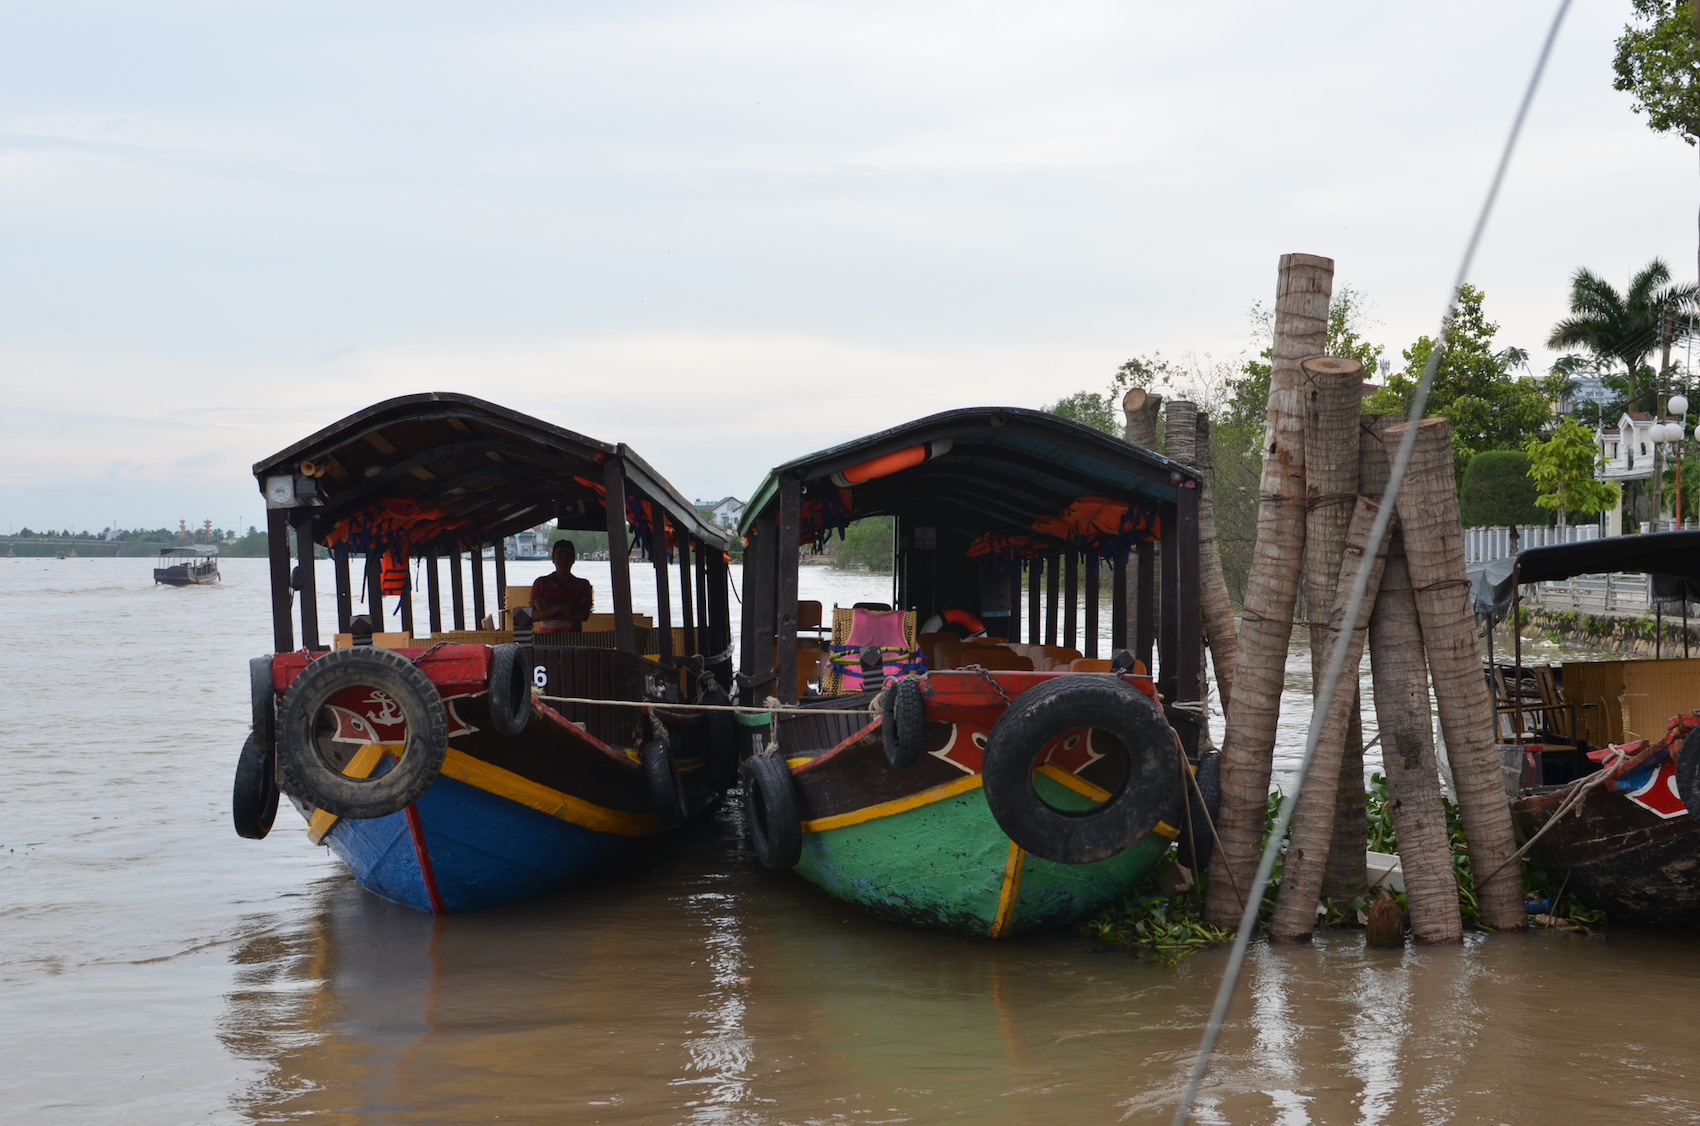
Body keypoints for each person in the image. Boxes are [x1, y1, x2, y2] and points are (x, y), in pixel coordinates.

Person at [531, 539, 594, 634]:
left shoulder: (583, 585)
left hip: (574, 641)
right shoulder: (540, 583)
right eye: (559, 557)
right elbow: (532, 616)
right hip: (546, 641)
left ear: (573, 560)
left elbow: (584, 616)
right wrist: (559, 607)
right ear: (553, 559)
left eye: (567, 557)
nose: (563, 561)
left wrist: (549, 605)